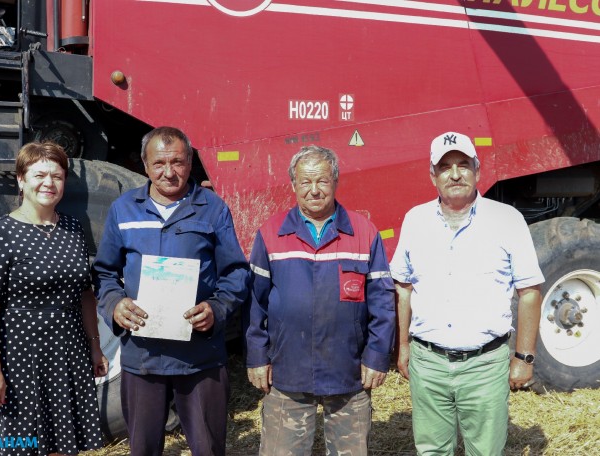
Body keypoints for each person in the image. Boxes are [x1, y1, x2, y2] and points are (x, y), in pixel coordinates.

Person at [92, 126, 250, 456]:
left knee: (207, 448)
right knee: (144, 448)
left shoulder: (213, 209)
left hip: (200, 357)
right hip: (142, 358)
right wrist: (115, 306)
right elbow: (105, 273)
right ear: (145, 166)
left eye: (177, 162)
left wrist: (217, 309)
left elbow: (235, 274)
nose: (169, 172)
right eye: (159, 163)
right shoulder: (124, 209)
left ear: (190, 162)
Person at [390, 131, 545, 455]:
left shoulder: (507, 220)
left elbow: (529, 291)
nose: (455, 173)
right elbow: (403, 288)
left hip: (485, 365)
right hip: (428, 363)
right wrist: (403, 347)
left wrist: (524, 358)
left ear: (477, 169)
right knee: (432, 450)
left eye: (463, 164)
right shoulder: (415, 220)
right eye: (445, 167)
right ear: (432, 175)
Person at [245, 145, 396, 455]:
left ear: (335, 182)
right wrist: (257, 356)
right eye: (305, 182)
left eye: (322, 181)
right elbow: (254, 304)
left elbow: (383, 302)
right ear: (293, 185)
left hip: (348, 372)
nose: (314, 190)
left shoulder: (363, 233)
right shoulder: (271, 233)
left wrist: (377, 355)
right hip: (288, 372)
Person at [0, 141, 107, 455]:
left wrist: (95, 347)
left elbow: (85, 295)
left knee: (63, 445)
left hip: (68, 354)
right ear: (21, 179)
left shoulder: (74, 228)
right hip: (22, 358)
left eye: (57, 176)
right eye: (39, 175)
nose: (49, 183)